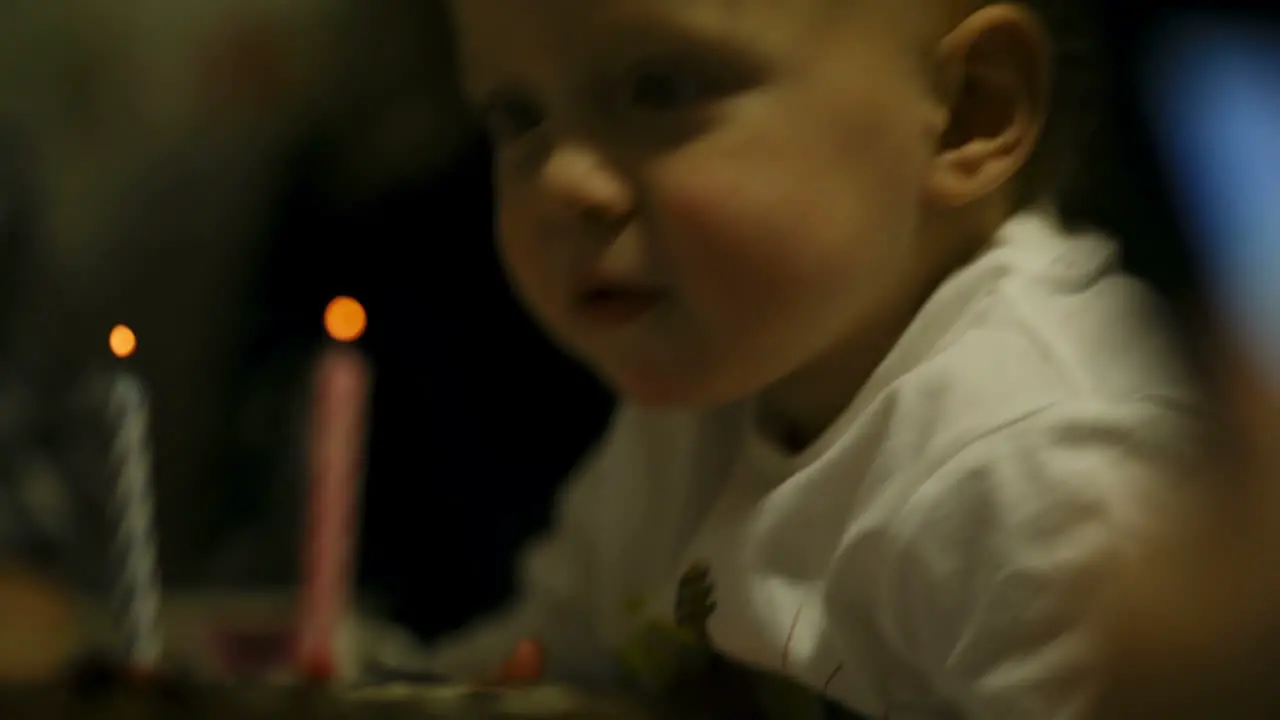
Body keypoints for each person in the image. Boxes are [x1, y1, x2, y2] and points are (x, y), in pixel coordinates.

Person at [411, 0, 1203, 717]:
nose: (558, 183)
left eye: (661, 89)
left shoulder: (1047, 468)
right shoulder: (707, 402)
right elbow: (541, 659)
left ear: (967, 111)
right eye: (517, 117)